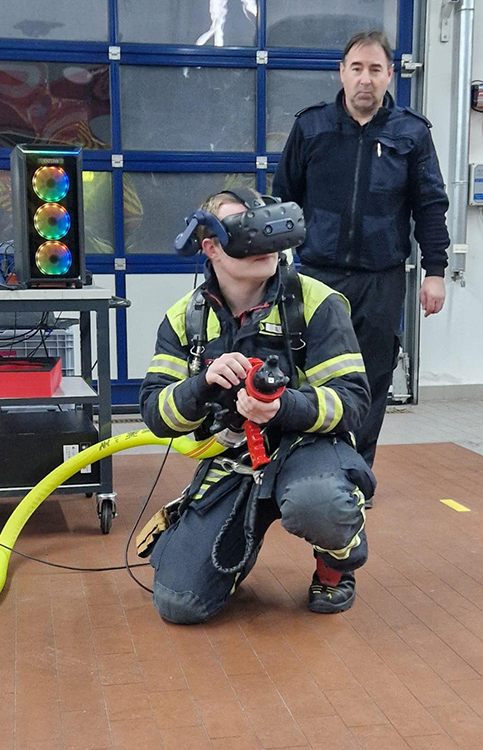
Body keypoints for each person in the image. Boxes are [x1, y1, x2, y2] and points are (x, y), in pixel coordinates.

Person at [138, 190, 375, 624]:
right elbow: (155, 413)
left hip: (308, 451)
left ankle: (336, 558)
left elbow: (353, 400)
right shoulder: (184, 319)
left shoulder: (316, 303)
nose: (262, 243)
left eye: (266, 226)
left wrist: (284, 407)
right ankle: (225, 554)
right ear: (210, 246)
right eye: (243, 229)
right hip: (233, 460)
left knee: (316, 501)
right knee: (179, 604)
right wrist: (202, 384)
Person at [271, 30, 450, 479]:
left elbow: (430, 205)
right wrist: (273, 267)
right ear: (342, 73)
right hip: (316, 277)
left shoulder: (411, 133)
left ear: (390, 75)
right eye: (356, 68)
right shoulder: (311, 126)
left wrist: (435, 271)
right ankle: (303, 464)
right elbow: (284, 201)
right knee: (306, 372)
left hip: (381, 279)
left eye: (375, 69)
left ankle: (353, 471)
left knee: (371, 379)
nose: (365, 79)